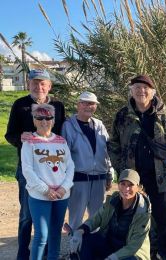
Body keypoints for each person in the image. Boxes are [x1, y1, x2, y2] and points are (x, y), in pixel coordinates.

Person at [108, 75, 166, 259]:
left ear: (152, 92)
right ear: (131, 91)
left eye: (145, 88)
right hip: (133, 178)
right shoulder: (122, 115)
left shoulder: (163, 115)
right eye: (137, 87)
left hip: (160, 176)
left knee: (163, 218)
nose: (141, 91)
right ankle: (141, 254)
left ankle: (165, 254)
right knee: (136, 217)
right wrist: (121, 170)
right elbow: (113, 145)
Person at [5, 69, 65, 260]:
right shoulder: (20, 105)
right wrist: (20, 138)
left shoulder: (58, 105)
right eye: (35, 83)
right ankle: (23, 253)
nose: (39, 87)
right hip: (28, 170)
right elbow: (10, 134)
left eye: (43, 83)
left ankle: (47, 253)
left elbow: (63, 134)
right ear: (29, 84)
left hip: (53, 171)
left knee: (50, 214)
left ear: (49, 86)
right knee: (27, 215)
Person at [21, 103, 74, 260]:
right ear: (34, 120)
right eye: (40, 118)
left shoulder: (61, 141)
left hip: (61, 196)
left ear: (53, 120)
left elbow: (70, 165)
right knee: (41, 235)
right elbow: (27, 170)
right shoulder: (29, 142)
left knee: (55, 233)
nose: (44, 122)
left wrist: (64, 188)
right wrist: (45, 190)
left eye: (48, 118)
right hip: (40, 196)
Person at [69, 169, 151, 260]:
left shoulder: (143, 212)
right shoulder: (112, 201)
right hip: (110, 246)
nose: (126, 189)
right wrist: (79, 232)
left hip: (130, 253)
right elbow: (95, 220)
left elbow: (134, 246)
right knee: (84, 240)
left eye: (130, 185)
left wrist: (113, 258)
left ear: (138, 187)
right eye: (123, 184)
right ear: (118, 184)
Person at [62, 91, 113, 230]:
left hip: (99, 179)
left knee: (97, 218)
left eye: (92, 104)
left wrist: (109, 173)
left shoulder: (99, 125)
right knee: (76, 218)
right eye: (84, 103)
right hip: (79, 179)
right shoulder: (68, 126)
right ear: (78, 105)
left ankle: (93, 249)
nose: (88, 106)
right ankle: (74, 249)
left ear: (96, 106)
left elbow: (106, 152)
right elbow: (64, 155)